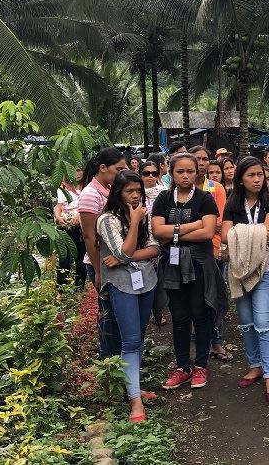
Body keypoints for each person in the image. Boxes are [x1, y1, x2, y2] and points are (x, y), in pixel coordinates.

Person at [151, 153, 227, 390]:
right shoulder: (163, 199)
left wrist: (172, 230)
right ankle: (183, 366)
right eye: (179, 171)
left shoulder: (205, 199)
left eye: (190, 171)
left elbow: (207, 234)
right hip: (172, 266)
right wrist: (193, 225)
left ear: (197, 173)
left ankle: (201, 365)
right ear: (171, 173)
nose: (185, 176)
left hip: (199, 264)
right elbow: (157, 232)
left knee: (200, 313)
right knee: (179, 315)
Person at [96, 171, 160, 423]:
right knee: (130, 341)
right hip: (121, 285)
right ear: (118, 194)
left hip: (146, 282)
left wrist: (125, 257)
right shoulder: (107, 219)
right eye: (128, 191)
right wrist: (134, 223)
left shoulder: (146, 213)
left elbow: (154, 249)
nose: (135, 196)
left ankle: (133, 387)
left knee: (139, 338)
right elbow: (121, 249)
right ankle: (135, 400)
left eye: (138, 191)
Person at [221, 156, 269, 402]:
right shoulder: (232, 204)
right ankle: (255, 365)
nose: (257, 180)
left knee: (264, 322)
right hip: (237, 271)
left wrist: (241, 233)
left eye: (260, 175)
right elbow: (225, 236)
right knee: (246, 322)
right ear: (241, 179)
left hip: (263, 271)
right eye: (251, 175)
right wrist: (253, 233)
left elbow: (268, 235)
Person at [78, 148, 128, 357]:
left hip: (113, 260)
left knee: (116, 313)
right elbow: (89, 237)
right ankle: (109, 359)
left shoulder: (108, 190)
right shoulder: (90, 194)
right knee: (109, 313)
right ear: (103, 168)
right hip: (100, 263)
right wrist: (99, 271)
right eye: (119, 169)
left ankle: (117, 358)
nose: (122, 174)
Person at [189, 146, 231, 362]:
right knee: (191, 300)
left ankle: (217, 342)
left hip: (213, 251)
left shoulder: (217, 188)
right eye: (198, 159)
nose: (203, 162)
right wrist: (204, 225)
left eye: (206, 158)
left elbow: (219, 223)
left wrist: (192, 227)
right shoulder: (181, 189)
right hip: (188, 253)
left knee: (215, 297)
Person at [53, 167, 86, 288]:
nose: (77, 174)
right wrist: (57, 216)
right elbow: (58, 205)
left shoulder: (87, 188)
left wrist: (80, 215)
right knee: (64, 257)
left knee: (81, 256)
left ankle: (79, 287)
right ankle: (61, 288)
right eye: (74, 170)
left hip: (81, 226)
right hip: (65, 224)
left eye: (79, 170)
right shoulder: (63, 187)